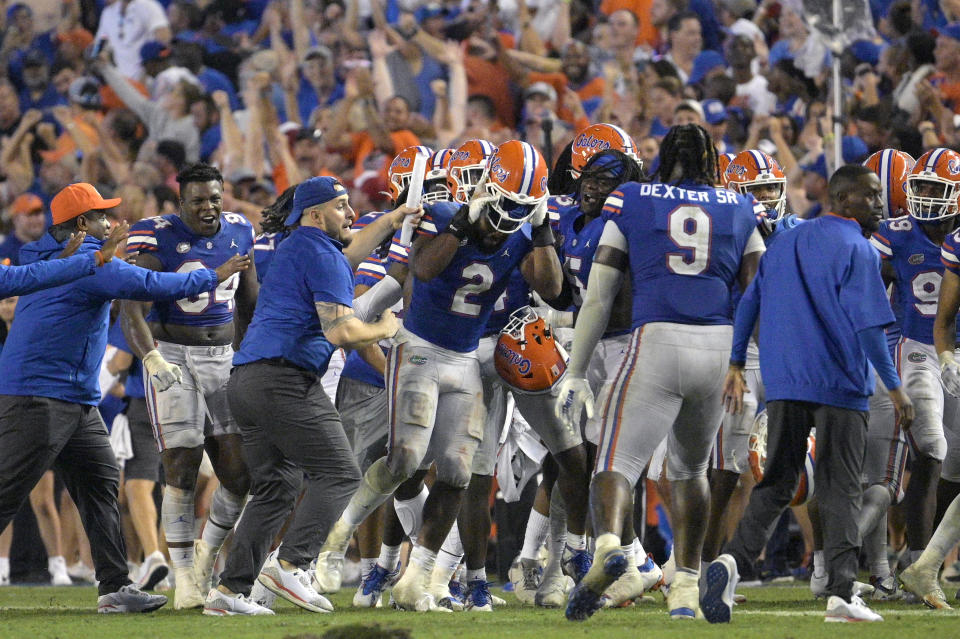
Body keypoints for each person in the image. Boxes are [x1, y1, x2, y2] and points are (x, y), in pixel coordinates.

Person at [315, 140, 563, 612]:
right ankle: (336, 538)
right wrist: (464, 222)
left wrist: (542, 227)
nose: (509, 216)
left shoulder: (523, 233)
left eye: (522, 208)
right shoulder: (447, 210)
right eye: (506, 204)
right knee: (405, 460)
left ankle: (419, 575)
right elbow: (424, 269)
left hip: (464, 361)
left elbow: (550, 286)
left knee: (456, 472)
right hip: (419, 352)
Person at [0, 182, 248, 613]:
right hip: (39, 394)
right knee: (7, 488)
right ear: (82, 224)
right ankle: (115, 583)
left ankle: (115, 586)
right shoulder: (94, 263)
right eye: (101, 215)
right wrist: (216, 274)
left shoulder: (45, 255)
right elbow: (154, 283)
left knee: (100, 485)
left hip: (72, 396)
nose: (111, 222)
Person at [555, 124, 764, 623]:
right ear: (712, 161)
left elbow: (601, 296)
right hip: (718, 346)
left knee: (615, 462)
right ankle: (686, 589)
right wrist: (746, 366)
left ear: (661, 155)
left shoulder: (631, 197)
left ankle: (610, 545)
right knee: (691, 472)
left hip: (654, 340)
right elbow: (759, 294)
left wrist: (577, 371)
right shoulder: (738, 205)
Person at [203, 176, 411, 616]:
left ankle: (229, 590)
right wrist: (385, 329)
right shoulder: (319, 253)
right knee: (340, 473)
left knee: (277, 487)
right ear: (315, 215)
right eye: (340, 206)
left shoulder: (299, 246)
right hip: (284, 381)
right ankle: (293, 564)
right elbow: (342, 331)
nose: (351, 214)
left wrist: (392, 220)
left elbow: (349, 253)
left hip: (247, 381)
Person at [721, 164, 915, 623]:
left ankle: (730, 565)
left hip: (786, 381)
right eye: (869, 195)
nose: (878, 203)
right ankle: (843, 594)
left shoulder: (785, 240)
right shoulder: (858, 248)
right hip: (841, 383)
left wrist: (735, 362)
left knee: (777, 482)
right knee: (841, 487)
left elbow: (749, 302)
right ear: (842, 198)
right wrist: (894, 386)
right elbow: (869, 328)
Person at [121, 163, 260, 610]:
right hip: (173, 354)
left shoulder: (240, 231)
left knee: (239, 475)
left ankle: (206, 554)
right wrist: (151, 357)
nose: (208, 207)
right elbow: (131, 307)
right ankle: (183, 576)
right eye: (198, 200)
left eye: (215, 198)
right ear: (181, 203)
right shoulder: (156, 235)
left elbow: (249, 302)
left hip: (223, 358)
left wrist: (250, 358)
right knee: (180, 465)